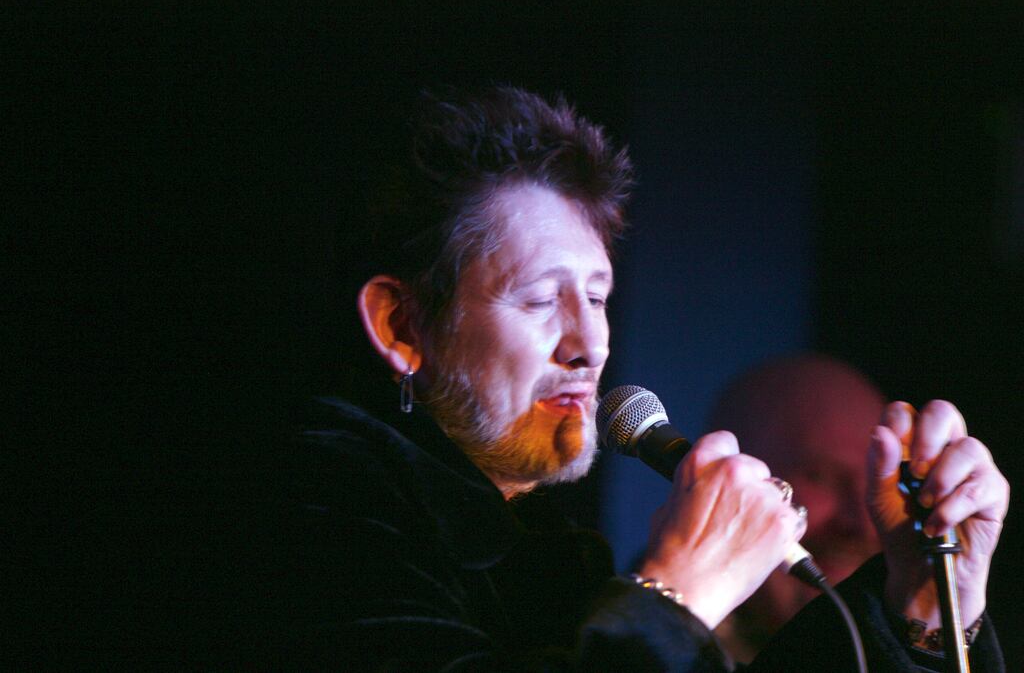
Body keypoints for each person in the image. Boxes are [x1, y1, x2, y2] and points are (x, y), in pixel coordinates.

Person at [274, 86, 1008, 670]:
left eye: (597, 296)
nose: (589, 344)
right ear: (402, 326)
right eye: (539, 299)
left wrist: (920, 607)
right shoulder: (304, 510)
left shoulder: (542, 553)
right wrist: (678, 594)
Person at [706, 354, 886, 662]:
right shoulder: (635, 643)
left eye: (876, 484)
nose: (862, 524)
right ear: (728, 477)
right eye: (820, 476)